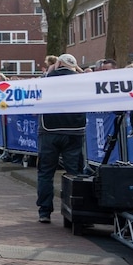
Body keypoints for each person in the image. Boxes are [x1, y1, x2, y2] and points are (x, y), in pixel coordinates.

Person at [36, 53, 86, 224]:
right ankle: (75, 212)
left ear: (57, 64)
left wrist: (51, 70)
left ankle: (44, 211)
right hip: (74, 130)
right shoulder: (82, 80)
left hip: (50, 130)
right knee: (75, 174)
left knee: (45, 173)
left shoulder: (46, 79)